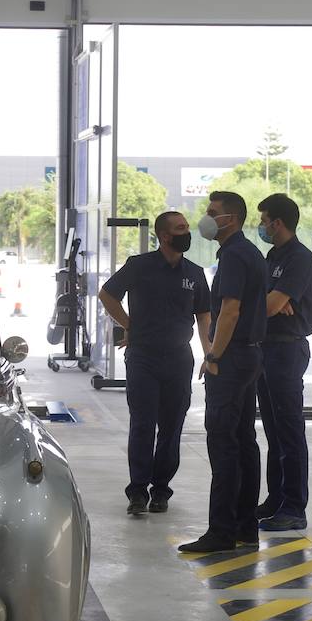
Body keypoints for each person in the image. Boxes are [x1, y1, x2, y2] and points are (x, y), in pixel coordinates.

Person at [99, 212, 212, 515]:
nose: (186, 232)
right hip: (143, 357)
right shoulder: (139, 266)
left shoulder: (194, 273)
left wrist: (209, 354)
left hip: (179, 358)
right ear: (164, 236)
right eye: (180, 228)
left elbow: (204, 316)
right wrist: (129, 325)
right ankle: (137, 491)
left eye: (186, 227)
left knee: (172, 427)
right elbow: (107, 294)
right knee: (143, 424)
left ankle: (161, 490)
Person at [179, 191, 268, 553]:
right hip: (250, 355)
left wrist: (213, 354)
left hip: (231, 359)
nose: (207, 217)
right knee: (244, 440)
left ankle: (221, 532)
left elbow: (230, 311)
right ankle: (246, 526)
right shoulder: (250, 253)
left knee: (223, 443)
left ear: (230, 219)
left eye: (212, 212)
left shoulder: (233, 256)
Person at [254, 193, 312, 533]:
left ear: (277, 223)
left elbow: (269, 305)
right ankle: (276, 499)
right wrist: (270, 302)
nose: (261, 226)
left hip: (287, 350)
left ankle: (295, 507)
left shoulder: (300, 258)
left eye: (264, 220)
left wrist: (272, 302)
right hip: (266, 348)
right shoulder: (273, 256)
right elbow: (266, 301)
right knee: (273, 431)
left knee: (290, 431)